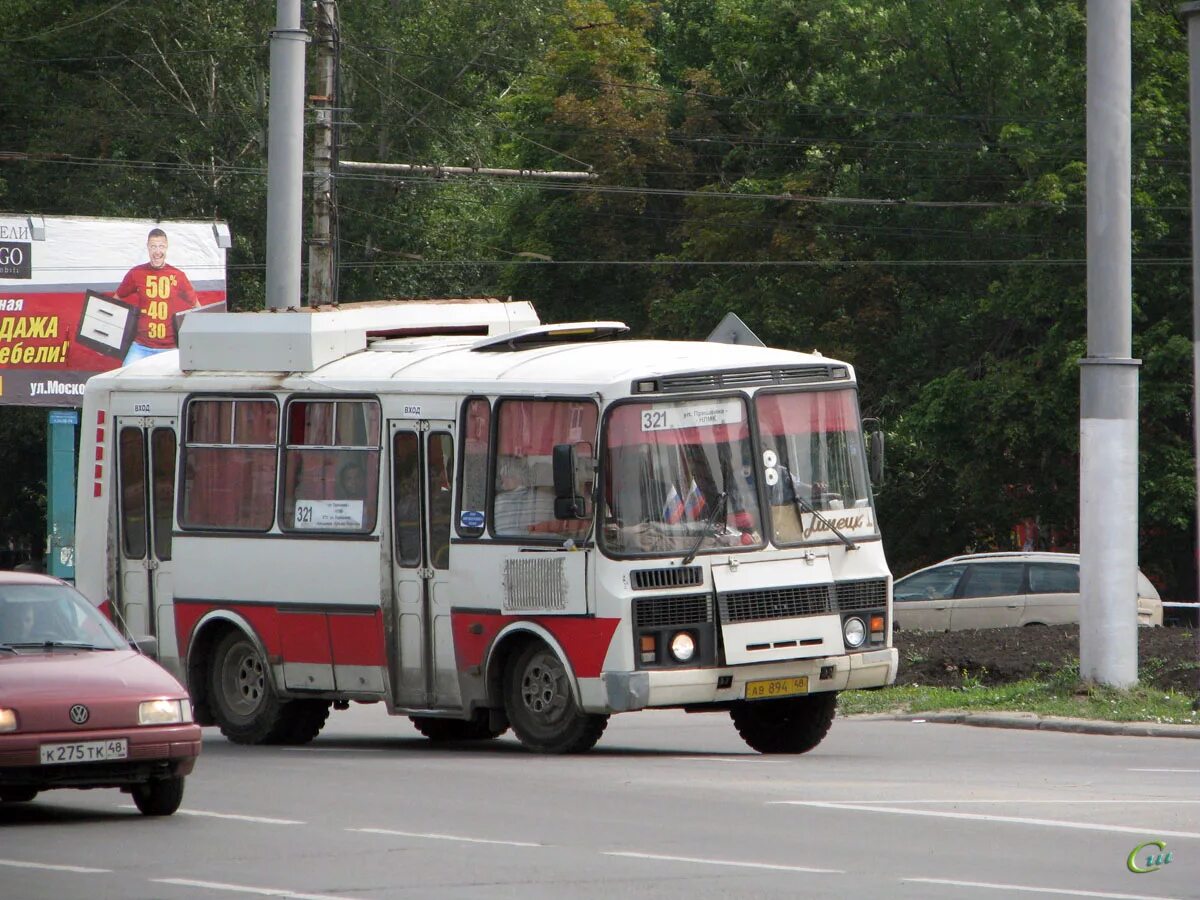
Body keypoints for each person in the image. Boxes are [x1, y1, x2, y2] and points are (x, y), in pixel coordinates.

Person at [116, 228, 201, 365]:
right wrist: (108, 338)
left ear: (166, 247)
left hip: (169, 348)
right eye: (153, 246)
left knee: (172, 384)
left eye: (161, 246)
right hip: (141, 346)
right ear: (148, 248)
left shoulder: (178, 275)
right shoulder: (136, 273)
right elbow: (116, 300)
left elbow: (197, 307)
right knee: (124, 379)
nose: (157, 251)